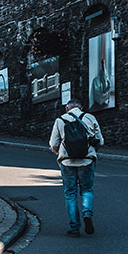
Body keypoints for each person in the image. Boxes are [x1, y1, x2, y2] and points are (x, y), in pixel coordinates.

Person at [49, 98, 104, 237]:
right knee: (87, 190)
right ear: (81, 108)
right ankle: (87, 214)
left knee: (70, 194)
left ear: (67, 109)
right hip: (87, 160)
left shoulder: (60, 120)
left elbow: (53, 144)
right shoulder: (90, 117)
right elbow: (100, 140)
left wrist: (61, 152)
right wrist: (92, 151)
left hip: (67, 162)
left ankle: (74, 227)